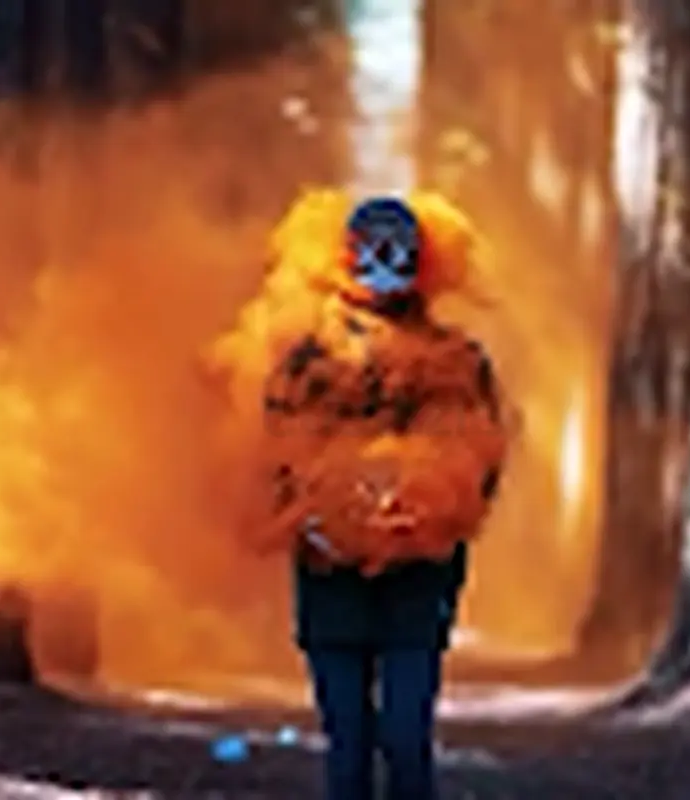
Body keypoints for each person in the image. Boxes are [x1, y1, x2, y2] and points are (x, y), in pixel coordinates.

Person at [267, 196, 506, 799]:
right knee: (348, 748)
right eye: (369, 248)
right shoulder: (307, 359)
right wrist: (309, 520)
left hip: (417, 584)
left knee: (405, 739)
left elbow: (485, 458)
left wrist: (438, 514)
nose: (382, 264)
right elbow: (274, 457)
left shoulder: (461, 361)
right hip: (331, 582)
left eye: (396, 250)